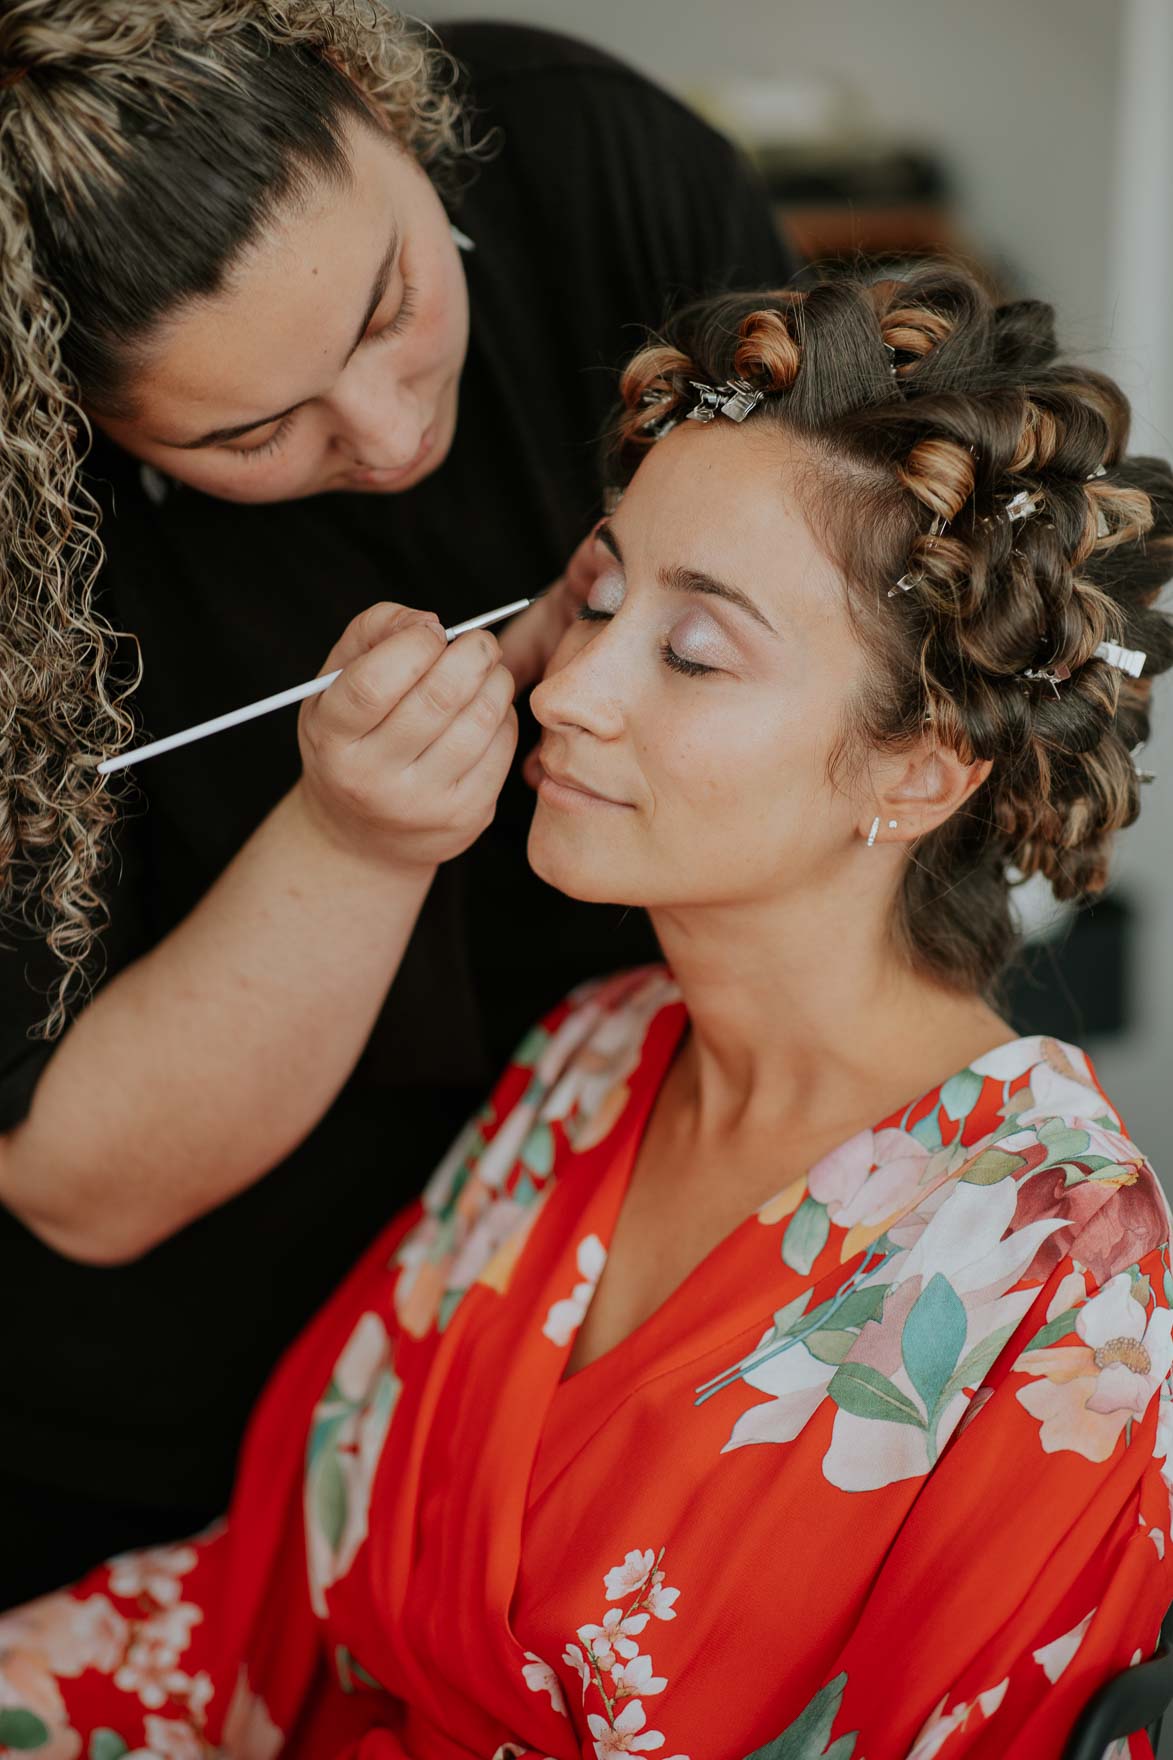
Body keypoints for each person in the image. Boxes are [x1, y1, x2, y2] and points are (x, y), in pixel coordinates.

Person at [4, 264, 1173, 1760]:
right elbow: (256, 1614)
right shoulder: (591, 1058)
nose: (564, 690)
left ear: (919, 768)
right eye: (601, 598)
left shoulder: (1057, 1264)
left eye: (691, 653)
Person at [0, 2, 796, 1606]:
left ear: (383, 105)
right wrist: (356, 840)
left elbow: (860, 625)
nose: (384, 436)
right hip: (180, 1392)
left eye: (389, 308)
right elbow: (82, 1181)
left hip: (635, 1245)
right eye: (250, 431)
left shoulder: (577, 153)